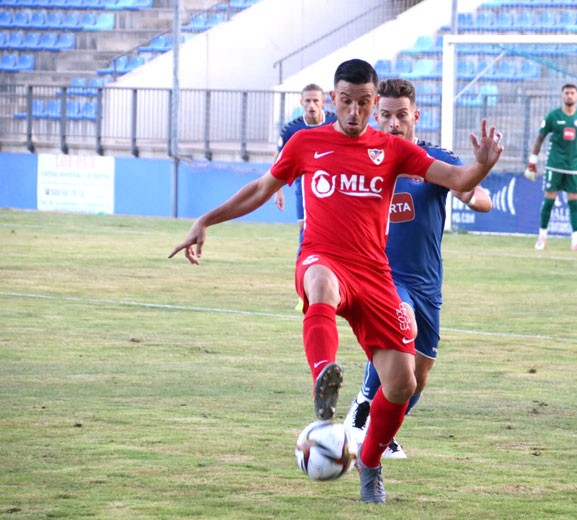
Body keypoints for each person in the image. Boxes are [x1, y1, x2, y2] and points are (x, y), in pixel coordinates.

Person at [168, 58, 504, 504]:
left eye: (364, 103)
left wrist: (481, 165)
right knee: (320, 283)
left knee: (403, 384)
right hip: (323, 258)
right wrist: (206, 219)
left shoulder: (394, 150)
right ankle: (323, 376)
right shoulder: (307, 142)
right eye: (346, 102)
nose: (354, 112)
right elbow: (261, 188)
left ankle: (370, 459)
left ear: (372, 102)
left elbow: (459, 179)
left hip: (375, 275)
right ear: (332, 99)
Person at [343, 78, 492, 460]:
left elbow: (468, 191)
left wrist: (478, 188)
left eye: (401, 116)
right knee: (401, 324)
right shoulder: (363, 157)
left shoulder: (433, 160)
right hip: (381, 276)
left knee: (417, 379)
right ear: (376, 113)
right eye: (387, 116)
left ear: (416, 116)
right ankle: (361, 407)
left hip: (427, 281)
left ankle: (380, 434)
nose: (394, 124)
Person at [524, 83, 577, 251]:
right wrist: (532, 161)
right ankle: (542, 238)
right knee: (549, 201)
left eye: (572, 93)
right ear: (562, 96)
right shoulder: (553, 116)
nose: (569, 96)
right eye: (566, 93)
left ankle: (576, 242)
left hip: (574, 167)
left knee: (574, 204)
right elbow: (540, 138)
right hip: (554, 165)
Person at [273, 84, 338, 239]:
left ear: (323, 101)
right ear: (301, 102)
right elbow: (278, 158)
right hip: (304, 184)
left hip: (335, 182)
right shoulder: (291, 129)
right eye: (307, 101)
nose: (311, 105)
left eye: (315, 100)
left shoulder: (335, 121)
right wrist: (278, 190)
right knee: (305, 228)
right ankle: (303, 261)